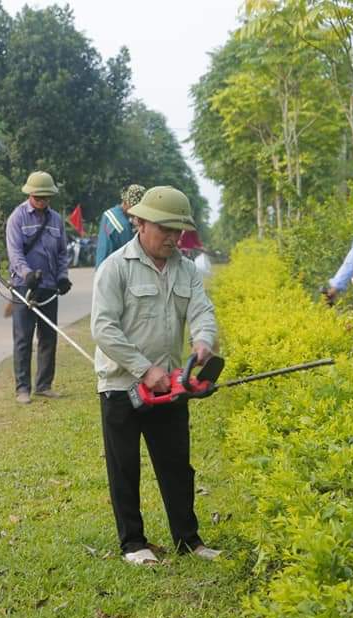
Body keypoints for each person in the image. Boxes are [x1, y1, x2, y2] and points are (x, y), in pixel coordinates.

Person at [91, 185, 221, 566]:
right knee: (124, 467)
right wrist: (143, 369)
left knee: (177, 465)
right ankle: (134, 544)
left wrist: (203, 341)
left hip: (170, 387)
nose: (172, 237)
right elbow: (104, 328)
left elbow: (202, 311)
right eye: (164, 228)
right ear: (140, 222)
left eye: (177, 230)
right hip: (121, 385)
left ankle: (189, 540)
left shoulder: (186, 270)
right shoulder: (114, 267)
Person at [5, 171, 71, 404]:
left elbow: (62, 252)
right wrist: (27, 274)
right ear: (30, 194)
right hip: (24, 286)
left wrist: (63, 277)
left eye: (46, 197)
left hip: (50, 286)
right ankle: (23, 388)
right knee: (23, 338)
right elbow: (14, 253)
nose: (42, 201)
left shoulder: (55, 220)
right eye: (38, 197)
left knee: (48, 337)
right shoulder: (17, 218)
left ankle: (44, 385)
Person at [95, 184, 145, 267]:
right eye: (134, 207)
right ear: (126, 202)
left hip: (101, 265)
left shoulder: (107, 214)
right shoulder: (124, 227)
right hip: (112, 270)